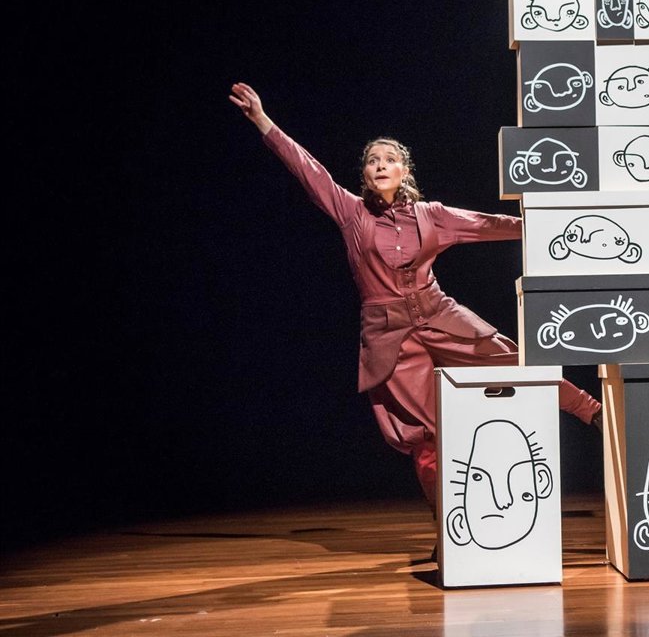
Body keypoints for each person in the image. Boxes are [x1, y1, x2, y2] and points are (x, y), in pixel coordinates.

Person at [227, 82, 601, 508]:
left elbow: (487, 224)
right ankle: (452, 519)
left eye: (389, 159)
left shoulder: (431, 215)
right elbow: (309, 171)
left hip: (440, 315)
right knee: (425, 432)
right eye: (372, 160)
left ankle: (591, 411)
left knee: (514, 362)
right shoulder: (352, 213)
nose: (380, 165)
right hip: (392, 336)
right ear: (365, 175)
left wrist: (552, 224)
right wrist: (263, 120)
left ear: (404, 171)